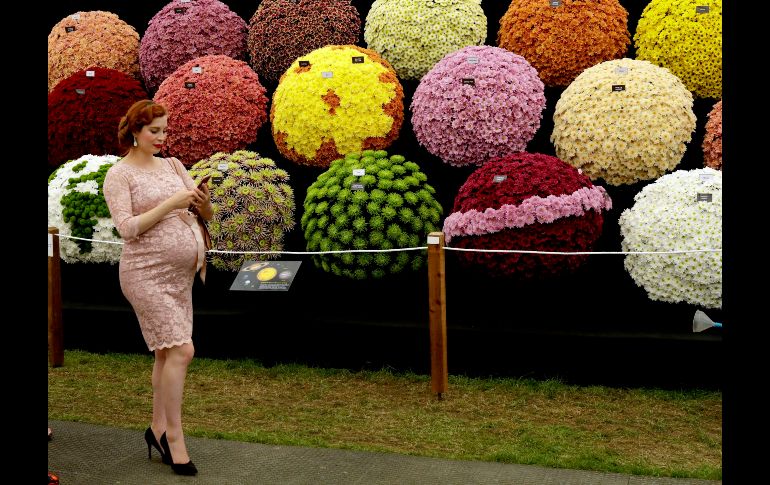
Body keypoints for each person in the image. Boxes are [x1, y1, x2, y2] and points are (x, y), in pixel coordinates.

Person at [103, 100, 211, 476]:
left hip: (180, 278)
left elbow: (202, 214)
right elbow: (127, 228)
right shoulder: (120, 174)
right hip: (145, 274)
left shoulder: (174, 165)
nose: (162, 138)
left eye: (166, 130)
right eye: (155, 131)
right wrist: (171, 203)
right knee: (183, 351)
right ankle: (175, 440)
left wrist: (202, 202)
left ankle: (157, 428)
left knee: (166, 355)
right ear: (134, 130)